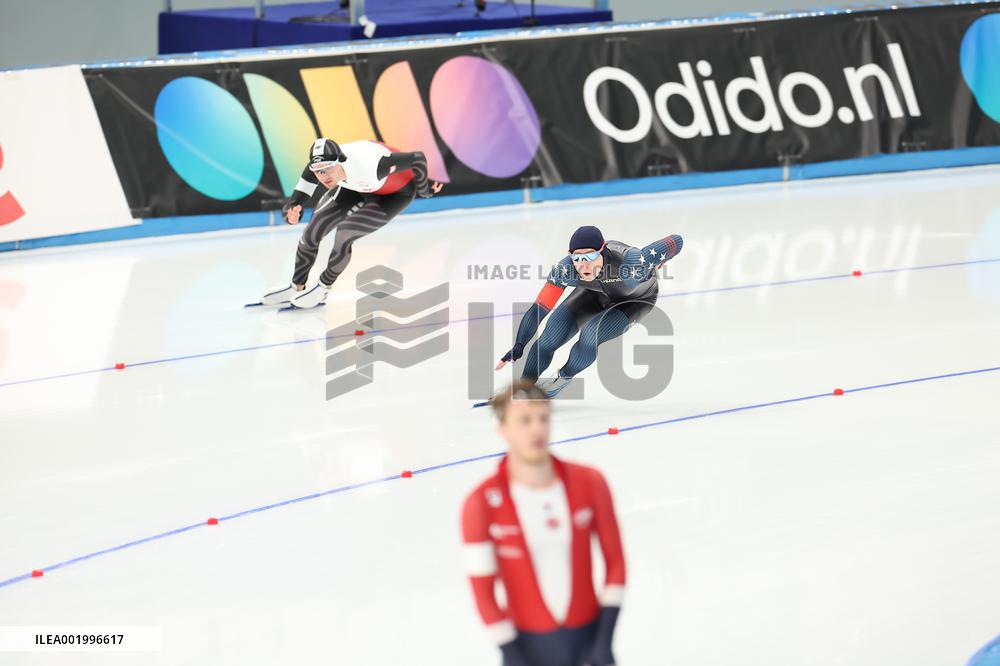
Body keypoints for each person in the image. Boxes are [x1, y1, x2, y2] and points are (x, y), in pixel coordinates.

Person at [461, 380, 625, 666]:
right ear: (503, 430)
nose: (536, 428)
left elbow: (616, 564)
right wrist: (512, 653)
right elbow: (482, 591)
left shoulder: (590, 482)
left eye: (543, 419)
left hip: (590, 644)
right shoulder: (480, 504)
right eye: (524, 421)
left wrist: (604, 640)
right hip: (527, 649)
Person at [255, 137, 442, 309]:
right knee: (312, 232)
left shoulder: (374, 165)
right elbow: (298, 197)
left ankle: (323, 288)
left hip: (393, 194)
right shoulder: (320, 166)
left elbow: (417, 158)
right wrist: (292, 209)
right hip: (351, 185)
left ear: (341, 160)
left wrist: (424, 189)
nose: (324, 175)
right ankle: (296, 287)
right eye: (318, 171)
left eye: (328, 168)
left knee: (345, 233)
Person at [497, 225, 683, 397]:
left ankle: (562, 378)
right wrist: (519, 345)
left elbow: (677, 240)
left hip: (635, 300)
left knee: (591, 332)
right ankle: (524, 386)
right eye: (577, 258)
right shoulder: (565, 270)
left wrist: (665, 256)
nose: (583, 264)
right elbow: (538, 310)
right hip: (592, 293)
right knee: (549, 338)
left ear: (602, 251)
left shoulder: (631, 264)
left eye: (590, 257)